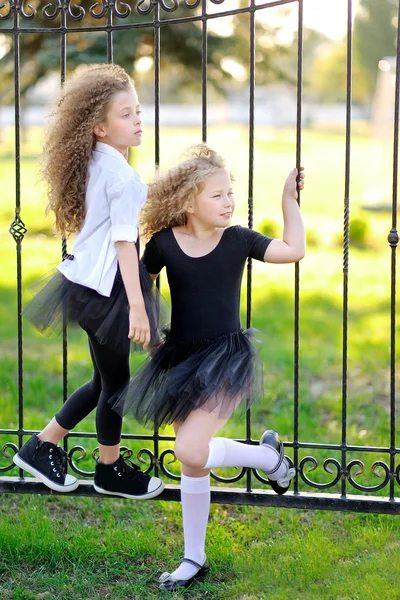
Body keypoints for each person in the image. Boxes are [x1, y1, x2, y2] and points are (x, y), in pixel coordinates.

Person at [110, 144, 305, 590]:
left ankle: (267, 458)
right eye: (218, 195)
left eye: (230, 193)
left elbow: (294, 250)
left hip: (225, 359)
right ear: (188, 202)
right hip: (179, 358)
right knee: (193, 463)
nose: (229, 202)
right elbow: (139, 285)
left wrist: (288, 201)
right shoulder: (163, 244)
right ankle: (193, 556)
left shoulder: (238, 239)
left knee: (191, 451)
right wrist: (150, 333)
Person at [13, 63, 164, 501]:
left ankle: (41, 446)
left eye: (137, 111)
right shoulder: (118, 173)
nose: (138, 120)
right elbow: (124, 244)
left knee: (105, 381)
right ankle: (109, 468)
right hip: (108, 292)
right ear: (100, 128)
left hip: (85, 286)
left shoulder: (102, 160)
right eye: (126, 114)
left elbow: (129, 199)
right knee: (116, 384)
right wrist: (138, 305)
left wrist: (166, 186)